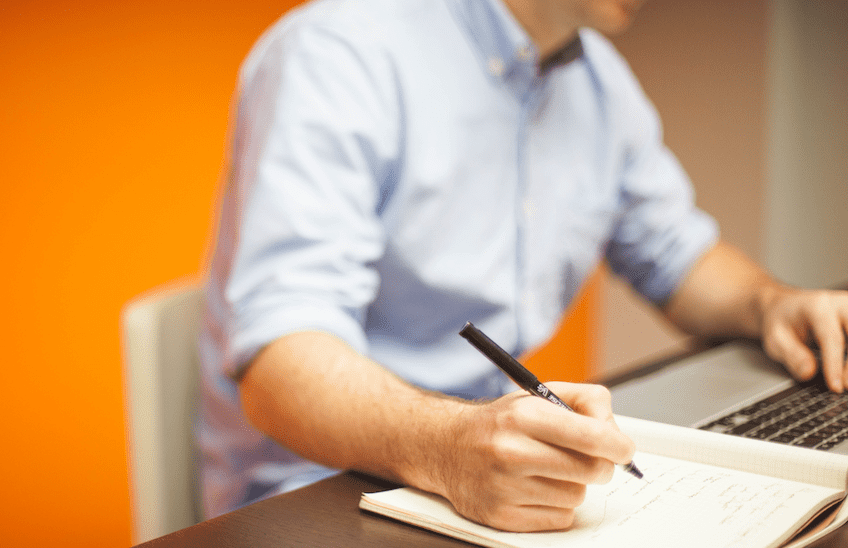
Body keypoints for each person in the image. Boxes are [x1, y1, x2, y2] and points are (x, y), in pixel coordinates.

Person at [197, 0, 848, 531]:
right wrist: (450, 449)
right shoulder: (338, 52)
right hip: (321, 496)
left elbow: (676, 255)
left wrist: (772, 304)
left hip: (491, 474)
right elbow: (279, 364)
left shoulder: (600, 84)